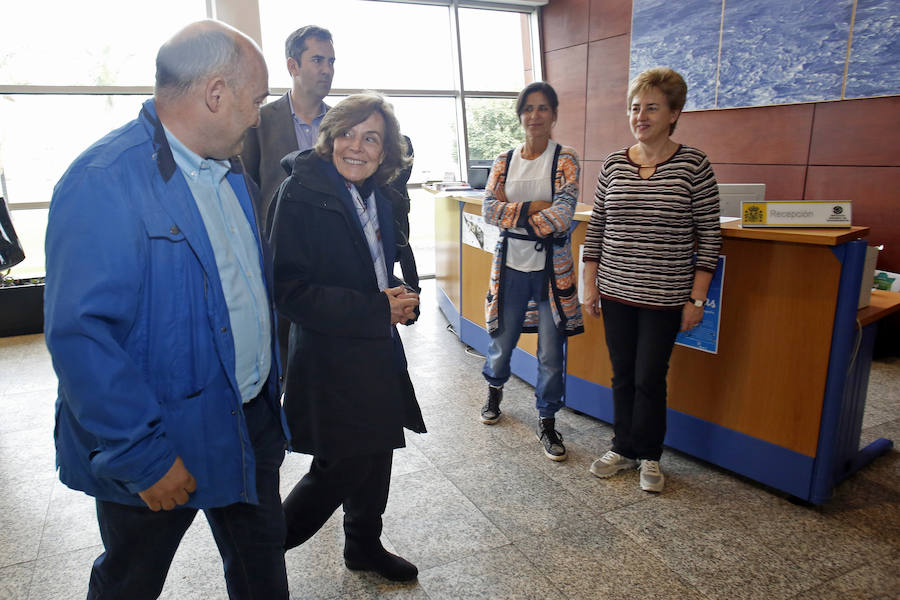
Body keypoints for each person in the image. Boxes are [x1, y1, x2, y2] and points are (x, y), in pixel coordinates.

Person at [44, 21, 290, 599]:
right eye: (254, 101)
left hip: (246, 422)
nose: (258, 117)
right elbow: (82, 338)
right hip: (161, 440)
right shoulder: (103, 181)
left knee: (262, 572)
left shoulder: (230, 172)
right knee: (131, 581)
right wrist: (143, 457)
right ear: (215, 93)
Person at [270, 92, 427, 582]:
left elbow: (382, 263)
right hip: (328, 353)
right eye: (347, 134)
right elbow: (289, 292)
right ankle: (264, 548)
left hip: (376, 345)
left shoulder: (382, 194)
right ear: (328, 139)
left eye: (371, 137)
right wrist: (375, 307)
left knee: (378, 449)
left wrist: (401, 296)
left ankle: (363, 545)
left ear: (386, 151)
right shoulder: (298, 194)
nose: (357, 146)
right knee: (339, 465)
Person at [582, 66, 721, 493]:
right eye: (635, 108)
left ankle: (650, 455)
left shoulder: (693, 165)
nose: (640, 116)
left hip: (664, 296)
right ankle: (622, 447)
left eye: (652, 108)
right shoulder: (613, 164)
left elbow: (710, 237)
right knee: (622, 374)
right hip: (617, 291)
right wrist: (590, 284)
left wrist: (696, 300)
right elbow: (597, 229)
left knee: (649, 377)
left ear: (674, 112)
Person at [479, 81, 584, 461]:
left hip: (551, 273)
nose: (534, 116)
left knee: (551, 352)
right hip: (510, 267)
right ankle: (494, 391)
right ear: (520, 115)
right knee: (502, 341)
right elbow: (489, 209)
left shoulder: (566, 158)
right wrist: (534, 207)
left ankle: (547, 418)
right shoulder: (504, 160)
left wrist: (515, 213)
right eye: (528, 109)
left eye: (542, 108)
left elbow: (563, 215)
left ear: (554, 114)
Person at [242, 24, 335, 226]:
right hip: (278, 245)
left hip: (334, 245)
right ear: (293, 66)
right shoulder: (259, 121)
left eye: (331, 62)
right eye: (318, 60)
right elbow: (245, 190)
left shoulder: (343, 125)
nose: (327, 70)